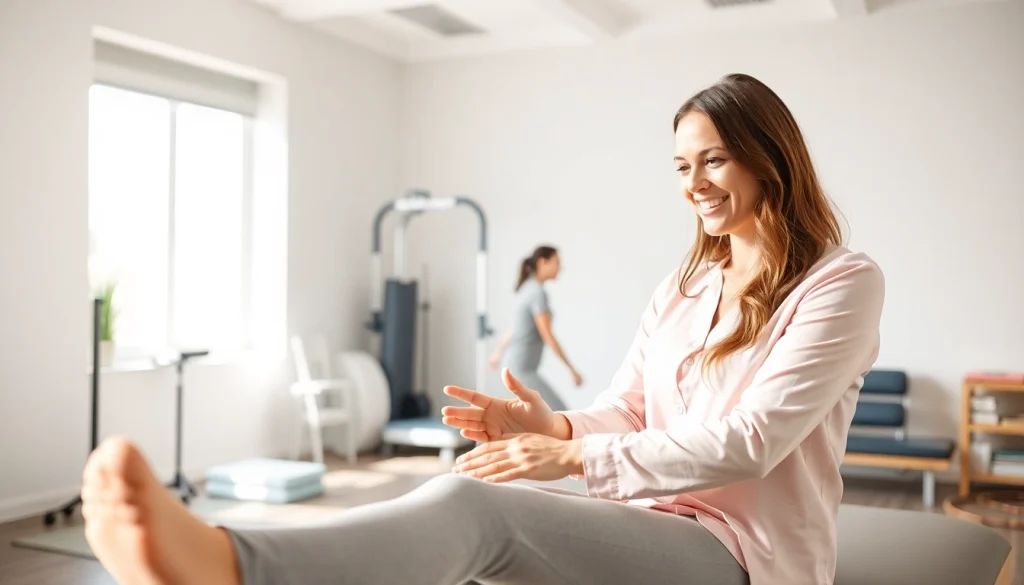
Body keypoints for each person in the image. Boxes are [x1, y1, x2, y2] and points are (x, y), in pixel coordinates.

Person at [80, 73, 884, 585]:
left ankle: (231, 566)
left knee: (477, 517)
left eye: (712, 160)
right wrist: (554, 422)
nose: (694, 184)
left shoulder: (842, 283)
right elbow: (631, 408)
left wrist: (568, 454)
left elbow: (749, 442)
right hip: (654, 520)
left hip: (746, 555)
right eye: (681, 166)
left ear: (767, 155)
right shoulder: (686, 283)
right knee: (470, 499)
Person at [487, 245, 582, 411]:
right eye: (557, 262)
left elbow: (513, 328)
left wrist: (497, 353)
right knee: (560, 413)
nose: (560, 268)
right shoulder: (537, 293)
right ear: (542, 262)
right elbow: (547, 336)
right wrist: (571, 369)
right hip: (522, 369)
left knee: (537, 419)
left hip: (514, 366)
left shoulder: (526, 288)